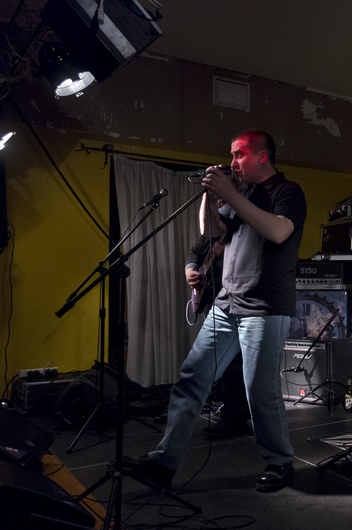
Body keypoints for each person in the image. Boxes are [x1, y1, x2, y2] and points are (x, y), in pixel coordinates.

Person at [134, 129, 307, 493]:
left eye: (239, 154)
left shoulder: (287, 191)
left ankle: (280, 463)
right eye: (231, 155)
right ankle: (163, 462)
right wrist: (211, 199)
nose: (232, 162)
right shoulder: (243, 195)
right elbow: (212, 232)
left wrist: (230, 194)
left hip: (264, 307)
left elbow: (278, 232)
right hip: (227, 303)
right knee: (192, 378)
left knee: (259, 390)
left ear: (262, 156)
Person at [185, 234, 252, 439]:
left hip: (239, 298)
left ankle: (235, 418)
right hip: (214, 297)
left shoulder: (243, 225)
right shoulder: (216, 227)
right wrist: (191, 269)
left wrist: (227, 253)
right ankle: (231, 412)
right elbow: (197, 250)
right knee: (216, 360)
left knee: (235, 362)